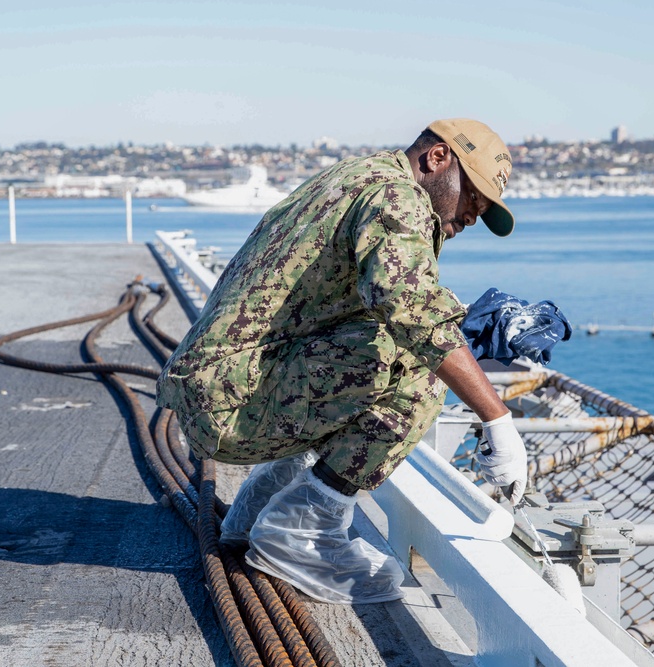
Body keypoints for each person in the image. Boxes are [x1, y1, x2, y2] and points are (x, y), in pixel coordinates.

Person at [157, 119, 531, 604]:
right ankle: (301, 535)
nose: (473, 215)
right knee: (416, 363)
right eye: (473, 196)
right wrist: (497, 419)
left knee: (394, 344)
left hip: (224, 387)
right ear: (438, 158)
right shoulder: (398, 197)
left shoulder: (356, 176)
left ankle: (265, 503)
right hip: (233, 404)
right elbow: (413, 312)